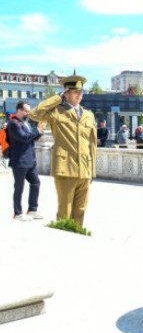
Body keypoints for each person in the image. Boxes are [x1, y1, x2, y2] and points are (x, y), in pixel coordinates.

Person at [30, 74, 97, 226]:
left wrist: (92, 170)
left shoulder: (89, 115)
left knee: (80, 210)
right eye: (74, 91)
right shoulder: (56, 112)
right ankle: (63, 241)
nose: (79, 94)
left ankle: (77, 239)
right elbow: (34, 114)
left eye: (81, 92)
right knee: (65, 211)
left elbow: (92, 144)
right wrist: (57, 98)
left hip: (84, 169)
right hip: (65, 168)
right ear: (66, 93)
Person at [7, 101, 45, 221]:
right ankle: (17, 213)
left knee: (36, 183)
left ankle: (32, 210)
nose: (28, 113)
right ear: (19, 110)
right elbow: (24, 138)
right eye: (26, 111)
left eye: (29, 111)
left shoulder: (26, 123)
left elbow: (31, 138)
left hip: (30, 161)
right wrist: (37, 130)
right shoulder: (13, 124)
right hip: (19, 161)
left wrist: (40, 130)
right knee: (19, 187)